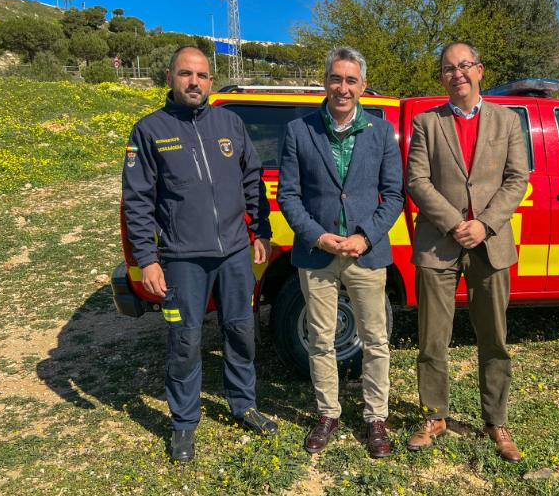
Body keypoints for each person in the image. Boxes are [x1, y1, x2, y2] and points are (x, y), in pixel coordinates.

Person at [122, 46, 276, 463]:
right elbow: (136, 201)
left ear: (211, 80)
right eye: (186, 74)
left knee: (241, 331)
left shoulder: (229, 123)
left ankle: (244, 406)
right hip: (181, 258)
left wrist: (259, 229)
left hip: (234, 254)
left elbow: (252, 179)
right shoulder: (150, 130)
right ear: (170, 77)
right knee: (186, 340)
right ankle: (184, 423)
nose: (195, 82)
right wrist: (147, 259)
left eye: (203, 75)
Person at [277, 47, 404, 458]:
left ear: (362, 85)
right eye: (336, 79)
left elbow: (394, 195)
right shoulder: (300, 130)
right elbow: (289, 195)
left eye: (351, 80)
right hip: (317, 255)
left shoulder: (382, 132)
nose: (343, 88)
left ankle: (375, 417)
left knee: (376, 340)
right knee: (321, 339)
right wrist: (318, 236)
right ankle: (328, 413)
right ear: (325, 81)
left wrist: (366, 236)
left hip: (366, 253)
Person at [405, 42, 529, 462]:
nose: (457, 73)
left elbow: (517, 179)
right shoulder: (426, 123)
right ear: (441, 77)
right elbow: (417, 180)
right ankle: (433, 416)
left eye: (464, 66)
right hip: (439, 243)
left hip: (490, 245)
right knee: (432, 337)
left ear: (480, 70)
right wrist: (455, 223)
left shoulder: (508, 120)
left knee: (494, 338)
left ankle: (496, 420)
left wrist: (484, 223)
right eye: (448, 68)